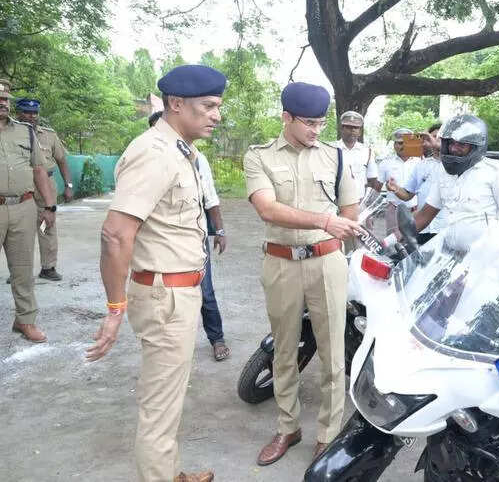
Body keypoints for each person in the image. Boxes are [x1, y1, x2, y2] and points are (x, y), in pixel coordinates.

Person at [86, 65, 226, 482]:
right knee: (159, 408)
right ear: (176, 104)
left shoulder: (181, 151)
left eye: (218, 106)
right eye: (208, 106)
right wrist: (115, 308)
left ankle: (170, 473)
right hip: (165, 297)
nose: (216, 115)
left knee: (167, 401)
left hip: (179, 292)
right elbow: (115, 234)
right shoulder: (155, 152)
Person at [244, 82, 361, 466]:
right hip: (280, 263)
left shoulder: (335, 157)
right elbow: (267, 209)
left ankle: (328, 435)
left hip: (326, 263)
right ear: (286, 118)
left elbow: (351, 210)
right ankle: (288, 428)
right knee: (284, 351)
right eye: (308, 123)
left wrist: (332, 236)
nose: (316, 130)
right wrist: (324, 221)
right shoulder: (259, 156)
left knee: (333, 353)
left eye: (321, 122)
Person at [148, 111, 230, 362]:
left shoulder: (196, 158)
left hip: (194, 238)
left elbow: (210, 197)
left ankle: (217, 339)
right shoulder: (148, 158)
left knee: (204, 290)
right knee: (163, 292)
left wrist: (219, 230)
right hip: (160, 240)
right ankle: (171, 343)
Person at [0, 80, 56, 343]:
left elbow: (39, 171)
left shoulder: (25, 132)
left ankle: (25, 320)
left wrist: (49, 206)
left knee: (22, 269)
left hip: (23, 206)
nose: (3, 103)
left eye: (6, 100)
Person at [413, 115, 499, 235]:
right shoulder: (443, 172)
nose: (454, 149)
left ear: (476, 146)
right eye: (451, 143)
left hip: (484, 246)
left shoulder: (496, 170)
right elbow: (425, 215)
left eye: (462, 144)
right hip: (449, 245)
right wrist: (397, 237)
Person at [15, 97, 73, 281]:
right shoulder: (10, 134)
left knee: (47, 224)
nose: (31, 116)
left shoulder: (49, 135)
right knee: (19, 229)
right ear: (18, 113)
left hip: (46, 185)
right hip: (20, 185)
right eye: (27, 112)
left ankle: (48, 267)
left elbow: (62, 161)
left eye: (35, 113)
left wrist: (68, 185)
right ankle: (19, 270)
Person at [386, 123, 448, 244]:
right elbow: (407, 194)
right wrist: (395, 188)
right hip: (422, 228)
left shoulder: (454, 164)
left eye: (439, 138)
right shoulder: (422, 165)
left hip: (444, 228)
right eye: (432, 137)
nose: (435, 141)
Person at [375, 128, 420, 229]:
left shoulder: (420, 162)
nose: (403, 146)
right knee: (392, 238)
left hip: (415, 210)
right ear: (394, 145)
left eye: (406, 143)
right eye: (400, 143)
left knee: (414, 238)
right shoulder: (385, 163)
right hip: (393, 210)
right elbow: (376, 189)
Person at [334, 111, 379, 198]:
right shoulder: (331, 149)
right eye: (349, 127)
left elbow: (372, 179)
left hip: (359, 200)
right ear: (341, 128)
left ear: (360, 131)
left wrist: (365, 199)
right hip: (335, 200)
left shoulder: (367, 151)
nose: (352, 130)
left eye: (356, 127)